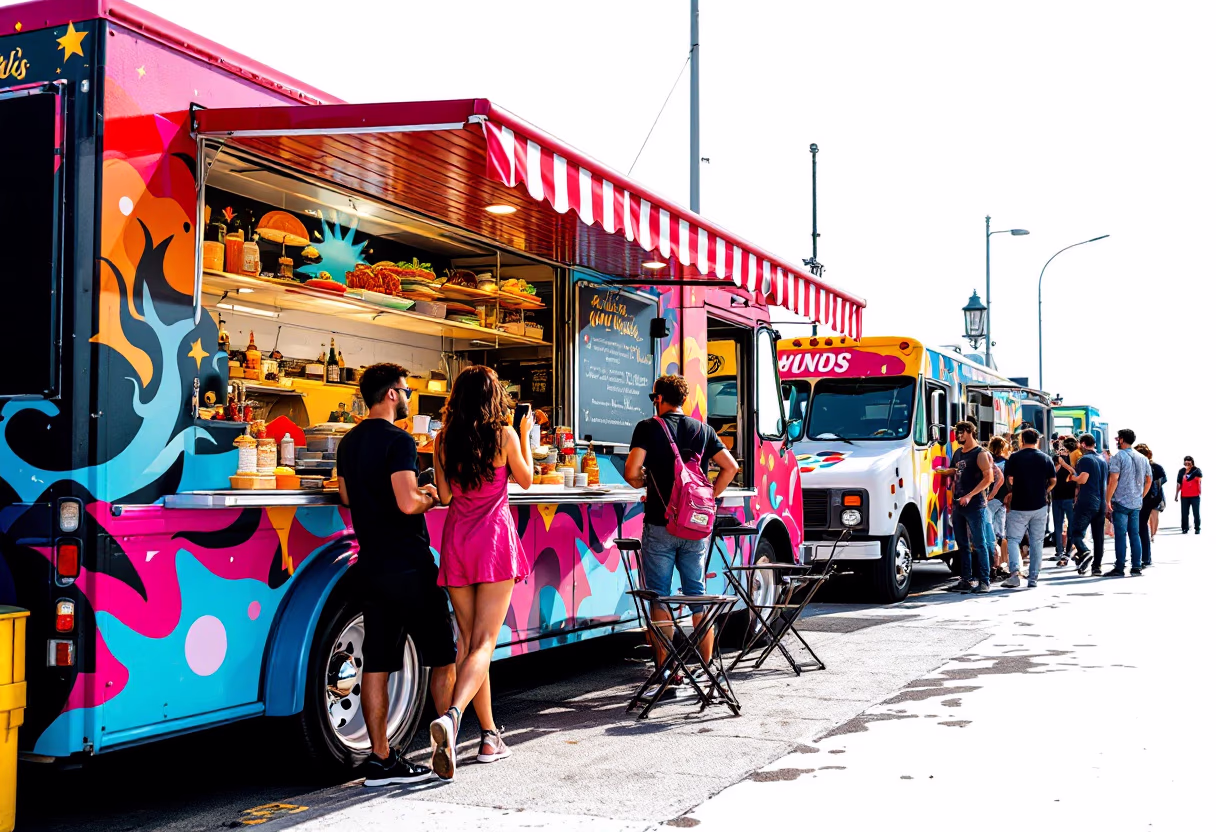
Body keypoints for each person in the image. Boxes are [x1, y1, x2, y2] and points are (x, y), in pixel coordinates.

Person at [336, 363, 454, 787]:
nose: (407, 397)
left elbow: (347, 496)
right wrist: (430, 496)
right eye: (405, 390)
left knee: (379, 663)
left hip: (371, 566)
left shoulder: (348, 442)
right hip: (409, 565)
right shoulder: (400, 440)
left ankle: (381, 759)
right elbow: (407, 503)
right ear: (390, 394)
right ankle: (447, 744)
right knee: (443, 655)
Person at [429, 366, 535, 781]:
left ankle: (489, 735)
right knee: (485, 644)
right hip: (493, 541)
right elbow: (525, 480)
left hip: (458, 540)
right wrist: (522, 433)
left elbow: (444, 495)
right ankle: (454, 720)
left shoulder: (442, 439)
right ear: (495, 396)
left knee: (468, 643)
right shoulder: (504, 435)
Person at [624, 374, 739, 696]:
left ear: (659, 398)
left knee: (659, 596)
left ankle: (665, 673)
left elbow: (632, 471)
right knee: (696, 594)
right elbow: (730, 467)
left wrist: (643, 484)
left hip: (660, 524)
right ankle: (704, 673)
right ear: (683, 399)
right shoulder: (704, 430)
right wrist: (709, 498)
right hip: (696, 525)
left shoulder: (648, 427)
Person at [940, 421, 994, 594]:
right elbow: (956, 471)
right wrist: (944, 471)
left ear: (970, 432)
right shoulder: (958, 453)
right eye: (957, 433)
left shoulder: (980, 454)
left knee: (979, 543)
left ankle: (984, 581)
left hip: (975, 504)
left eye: (960, 432)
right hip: (958, 504)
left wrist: (970, 495)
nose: (958, 436)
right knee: (962, 544)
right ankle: (966, 579)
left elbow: (989, 478)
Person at [1001, 428, 1055, 588]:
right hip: (1039, 506)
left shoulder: (1014, 458)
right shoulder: (1045, 458)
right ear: (1037, 440)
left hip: (1019, 505)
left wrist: (1012, 491)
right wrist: (1045, 491)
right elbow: (1053, 480)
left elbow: (1009, 479)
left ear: (1022, 440)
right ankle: (1033, 579)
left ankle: (1015, 574)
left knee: (1013, 540)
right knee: (1037, 542)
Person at [1104, 428, 1152, 577]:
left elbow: (1113, 479)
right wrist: (1141, 495)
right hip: (1136, 503)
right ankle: (1136, 566)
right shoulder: (1143, 458)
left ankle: (1119, 567)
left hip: (1121, 501)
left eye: (1118, 438)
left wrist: (1107, 499)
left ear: (1123, 439)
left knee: (1120, 535)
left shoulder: (1118, 457)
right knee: (1134, 534)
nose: (1117, 441)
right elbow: (1149, 480)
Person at [1068, 434, 1108, 575]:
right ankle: (1097, 566)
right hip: (1101, 501)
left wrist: (1073, 478)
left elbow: (1083, 479)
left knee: (1075, 532)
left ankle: (1084, 551)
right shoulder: (1102, 459)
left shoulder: (1085, 459)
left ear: (1083, 444)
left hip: (1087, 500)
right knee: (1098, 536)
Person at [1134, 444, 1166, 566]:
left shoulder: (1140, 466)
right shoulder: (1157, 467)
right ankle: (1145, 557)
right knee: (1143, 526)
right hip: (1153, 498)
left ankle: (1143, 557)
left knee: (1140, 527)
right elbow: (1163, 480)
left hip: (1141, 498)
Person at [1052, 437, 1079, 567]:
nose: (1061, 450)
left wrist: (1064, 463)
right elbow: (1052, 474)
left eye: (1063, 447)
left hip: (1069, 497)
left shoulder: (1073, 460)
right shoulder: (1054, 460)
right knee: (1058, 525)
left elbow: (1074, 473)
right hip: (1057, 496)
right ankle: (1059, 550)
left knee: (1071, 526)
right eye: (1059, 448)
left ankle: (1068, 549)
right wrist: (1059, 463)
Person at [987, 436, 1011, 579]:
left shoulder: (987, 460)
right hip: (1001, 500)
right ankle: (1000, 564)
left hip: (989, 499)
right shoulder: (1006, 463)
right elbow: (1009, 482)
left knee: (989, 532)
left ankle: (992, 565)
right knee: (999, 534)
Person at [1176, 455, 1202, 534]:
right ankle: (1184, 528)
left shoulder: (1197, 470)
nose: (1187, 465)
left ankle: (1197, 528)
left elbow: (1199, 477)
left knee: (1196, 513)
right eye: (1185, 463)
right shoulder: (1181, 471)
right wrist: (1176, 495)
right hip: (1184, 496)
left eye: (1189, 463)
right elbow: (1178, 484)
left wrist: (1191, 474)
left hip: (1195, 495)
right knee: (1184, 513)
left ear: (1192, 463)